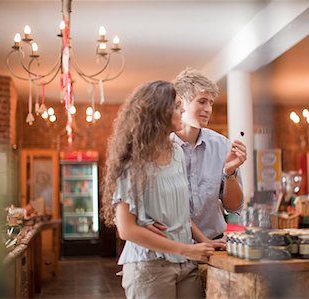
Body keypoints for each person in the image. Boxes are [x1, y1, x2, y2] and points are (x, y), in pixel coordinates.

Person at [101, 80, 223, 299]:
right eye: (177, 106)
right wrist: (187, 249)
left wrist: (204, 241)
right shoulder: (133, 163)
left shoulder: (176, 151)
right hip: (149, 266)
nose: (183, 109)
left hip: (186, 263)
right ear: (159, 113)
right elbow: (126, 230)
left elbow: (181, 212)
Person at [168, 68, 247, 239]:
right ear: (181, 102)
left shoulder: (223, 146)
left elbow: (233, 207)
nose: (208, 109)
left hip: (215, 243)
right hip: (173, 247)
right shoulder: (162, 146)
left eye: (211, 103)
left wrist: (230, 173)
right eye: (202, 101)